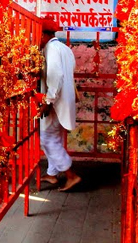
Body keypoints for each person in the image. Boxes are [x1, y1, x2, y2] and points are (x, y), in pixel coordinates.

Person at [38, 17, 81, 191]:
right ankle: (52, 174)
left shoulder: (51, 49)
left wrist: (48, 100)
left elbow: (56, 77)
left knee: (47, 138)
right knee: (53, 137)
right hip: (63, 100)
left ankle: (71, 175)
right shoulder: (64, 48)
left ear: (43, 35)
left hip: (56, 101)